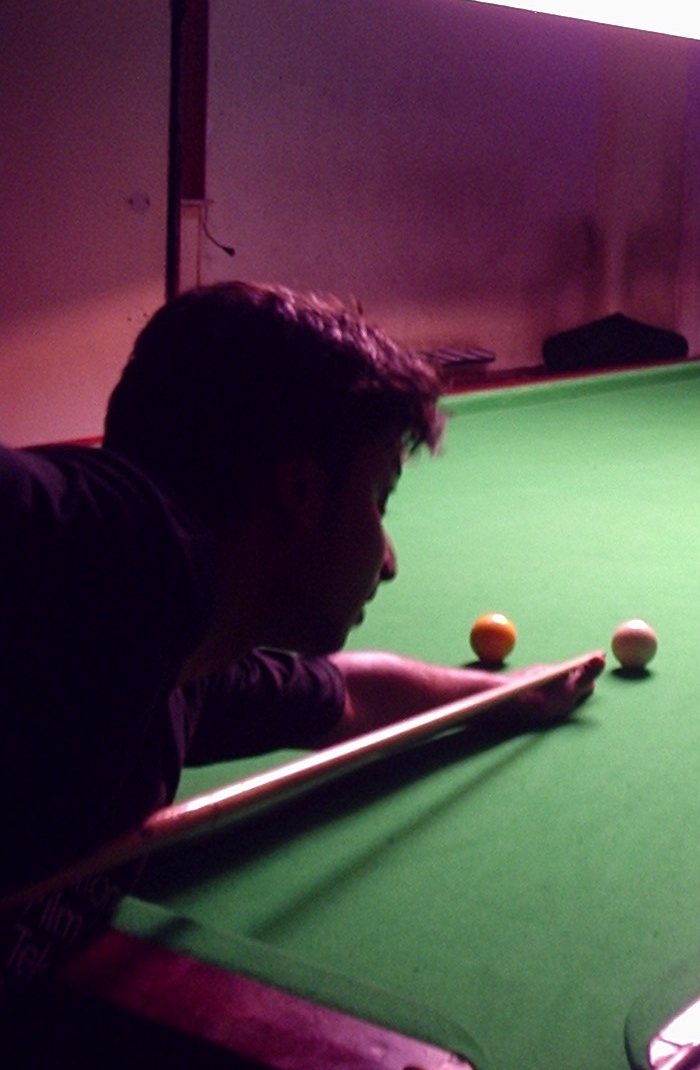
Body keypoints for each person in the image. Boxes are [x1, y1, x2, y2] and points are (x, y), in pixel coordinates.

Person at [0, 282, 602, 991]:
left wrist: (503, 693)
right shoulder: (124, 544)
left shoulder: (188, 666)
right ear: (302, 491)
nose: (389, 562)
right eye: (378, 500)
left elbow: (346, 696)